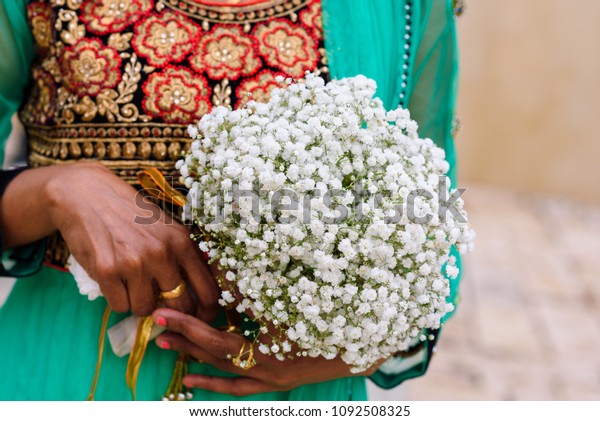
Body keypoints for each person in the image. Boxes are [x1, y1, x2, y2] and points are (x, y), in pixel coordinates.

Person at [0, 0, 462, 400]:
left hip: (293, 389)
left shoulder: (399, 8)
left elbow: (430, 223)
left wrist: (347, 354)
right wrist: (58, 190)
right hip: (67, 362)